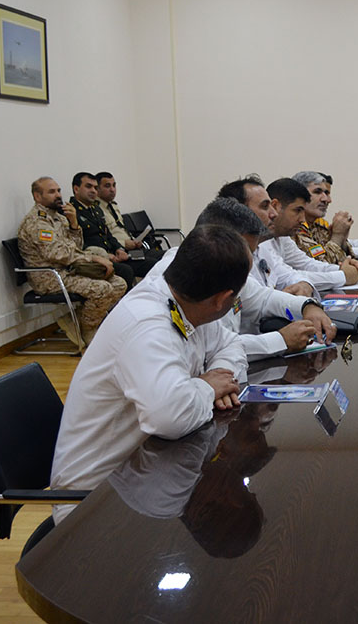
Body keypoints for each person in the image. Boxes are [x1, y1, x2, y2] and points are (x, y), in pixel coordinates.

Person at [50, 224, 251, 523]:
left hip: (141, 476)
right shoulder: (148, 326)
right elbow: (170, 417)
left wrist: (220, 375)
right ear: (223, 299)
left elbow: (230, 343)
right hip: (93, 505)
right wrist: (208, 388)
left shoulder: (187, 302)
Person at [148, 198, 335, 358]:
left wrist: (307, 306)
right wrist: (281, 340)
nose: (248, 262)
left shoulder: (223, 266)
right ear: (214, 240)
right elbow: (213, 349)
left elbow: (263, 299)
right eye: (243, 251)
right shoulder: (180, 279)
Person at [17, 176, 127, 348]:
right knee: (102, 289)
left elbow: (76, 246)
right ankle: (88, 330)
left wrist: (74, 224)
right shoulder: (37, 222)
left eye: (58, 190)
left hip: (68, 270)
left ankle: (75, 320)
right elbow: (57, 253)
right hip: (49, 277)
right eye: (51, 192)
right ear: (37, 196)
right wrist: (92, 258)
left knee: (119, 284)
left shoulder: (59, 217)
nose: (58, 195)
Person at [217, 175, 318, 297]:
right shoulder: (224, 255)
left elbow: (288, 275)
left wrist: (304, 284)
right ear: (240, 212)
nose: (274, 214)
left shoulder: (262, 246)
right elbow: (260, 300)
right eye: (265, 207)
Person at [262, 177, 358, 290]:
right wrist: (344, 275)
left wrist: (343, 269)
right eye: (297, 210)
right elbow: (286, 278)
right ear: (275, 206)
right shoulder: (262, 239)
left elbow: (306, 264)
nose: (302, 219)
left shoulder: (282, 236)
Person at [69, 171, 139, 289]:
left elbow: (108, 234)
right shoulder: (70, 212)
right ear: (76, 189)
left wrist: (119, 249)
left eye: (95, 188)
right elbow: (77, 244)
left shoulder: (96, 209)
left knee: (148, 262)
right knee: (126, 270)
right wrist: (106, 255)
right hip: (93, 258)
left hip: (111, 254)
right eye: (88, 186)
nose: (93, 191)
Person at [95, 171, 163, 266]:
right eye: (107, 186)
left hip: (132, 249)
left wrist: (134, 241)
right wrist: (124, 244)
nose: (112, 189)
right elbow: (102, 238)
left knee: (168, 255)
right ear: (97, 189)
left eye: (114, 185)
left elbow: (121, 230)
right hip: (119, 252)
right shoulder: (96, 210)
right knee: (155, 264)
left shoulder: (113, 206)